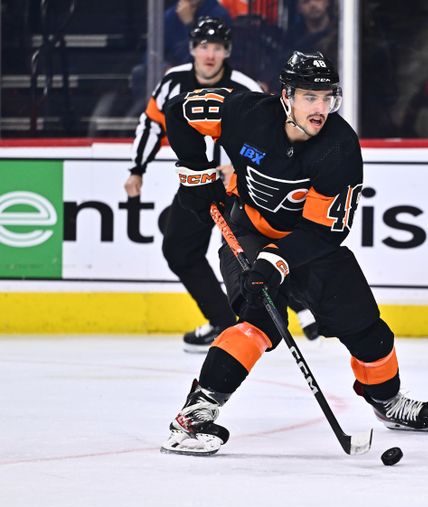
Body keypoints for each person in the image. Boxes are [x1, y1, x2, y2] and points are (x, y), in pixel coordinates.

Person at [159, 50, 428, 456]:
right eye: (310, 97)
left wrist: (277, 260)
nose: (320, 108)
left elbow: (326, 230)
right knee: (260, 322)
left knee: (366, 327)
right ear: (287, 96)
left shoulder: (339, 147)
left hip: (309, 243)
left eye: (327, 97)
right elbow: (177, 110)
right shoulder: (244, 112)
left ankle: (386, 399)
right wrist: (195, 172)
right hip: (248, 228)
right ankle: (196, 413)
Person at [124, 17, 320, 352]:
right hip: (198, 184)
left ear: (227, 51)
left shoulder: (242, 85)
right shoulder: (173, 81)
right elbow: (151, 124)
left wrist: (243, 163)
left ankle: (301, 305)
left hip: (240, 186)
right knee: (178, 251)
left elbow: (271, 131)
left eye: (217, 47)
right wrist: (137, 169)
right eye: (203, 46)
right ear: (192, 49)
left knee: (251, 250)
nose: (210, 54)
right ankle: (223, 322)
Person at [164, 0, 233, 67]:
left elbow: (205, 57)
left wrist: (189, 24)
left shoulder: (219, 16)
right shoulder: (169, 16)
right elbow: (158, 54)